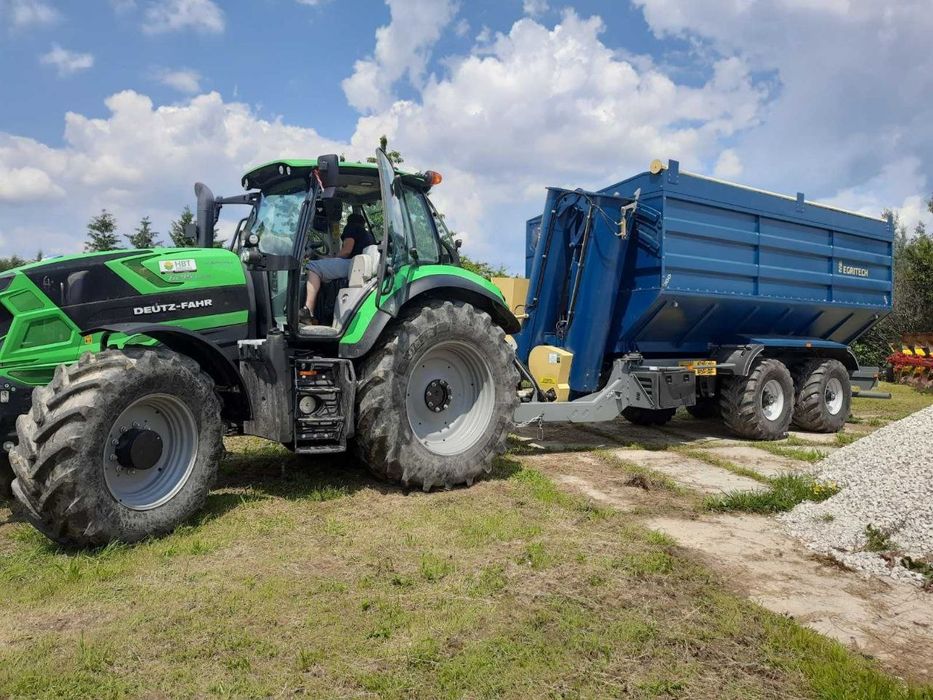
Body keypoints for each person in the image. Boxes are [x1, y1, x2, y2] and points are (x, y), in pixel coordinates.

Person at [299, 211, 375, 326]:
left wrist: (331, 258)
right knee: (322, 267)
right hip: (360, 265)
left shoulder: (351, 227)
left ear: (349, 222)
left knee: (313, 266)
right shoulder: (367, 234)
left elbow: (346, 250)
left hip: (353, 264)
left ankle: (308, 311)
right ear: (363, 223)